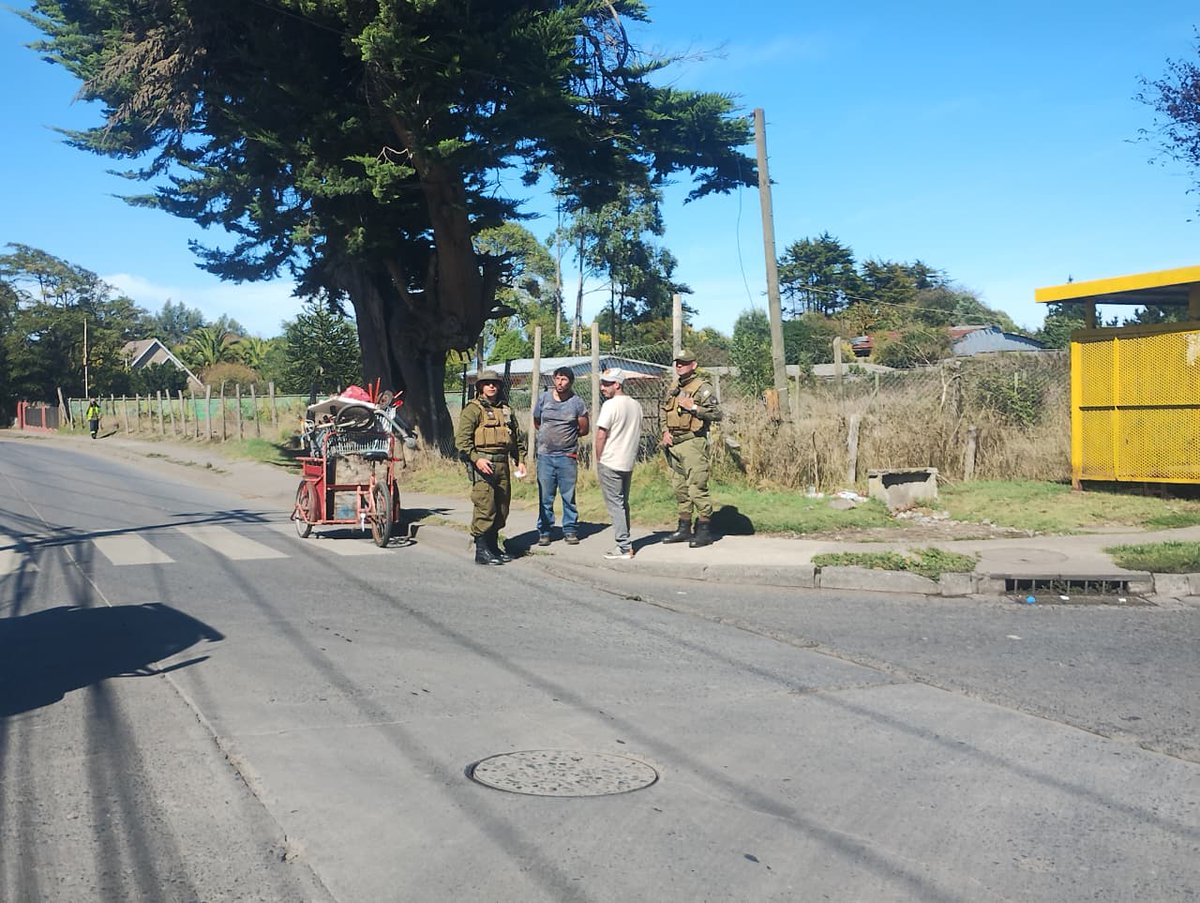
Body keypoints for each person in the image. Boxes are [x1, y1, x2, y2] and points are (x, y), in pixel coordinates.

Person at [455, 370, 527, 565]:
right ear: (480, 386)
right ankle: (482, 550)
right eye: (487, 383)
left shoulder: (506, 409)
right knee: (485, 506)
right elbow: (462, 441)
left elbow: (516, 438)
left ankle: (493, 547)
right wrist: (476, 459)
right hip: (483, 465)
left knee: (502, 508)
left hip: (502, 464)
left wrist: (520, 460)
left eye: (494, 383)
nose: (491, 386)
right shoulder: (473, 409)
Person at [659, 348, 722, 547]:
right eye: (677, 362)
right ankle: (684, 528)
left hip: (692, 442)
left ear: (693, 365)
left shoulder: (703, 388)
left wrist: (693, 407)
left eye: (684, 363)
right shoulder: (673, 386)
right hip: (674, 444)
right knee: (680, 489)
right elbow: (664, 411)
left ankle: (704, 530)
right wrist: (665, 431)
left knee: (696, 487)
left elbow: (717, 414)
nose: (679, 366)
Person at [532, 366, 589, 546]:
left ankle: (570, 529)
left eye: (564, 379)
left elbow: (584, 428)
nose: (560, 382)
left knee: (568, 496)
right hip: (545, 456)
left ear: (570, 382)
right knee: (545, 496)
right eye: (557, 378)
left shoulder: (576, 403)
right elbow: (537, 421)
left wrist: (567, 438)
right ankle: (545, 531)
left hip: (567, 456)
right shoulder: (544, 398)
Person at [594, 369, 644, 560]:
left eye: (607, 384)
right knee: (622, 503)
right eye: (602, 383)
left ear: (617, 384)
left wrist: (599, 458)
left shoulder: (610, 405)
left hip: (611, 460)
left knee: (615, 505)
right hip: (627, 460)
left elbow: (601, 434)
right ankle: (625, 542)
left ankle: (623, 546)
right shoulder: (636, 405)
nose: (602, 387)